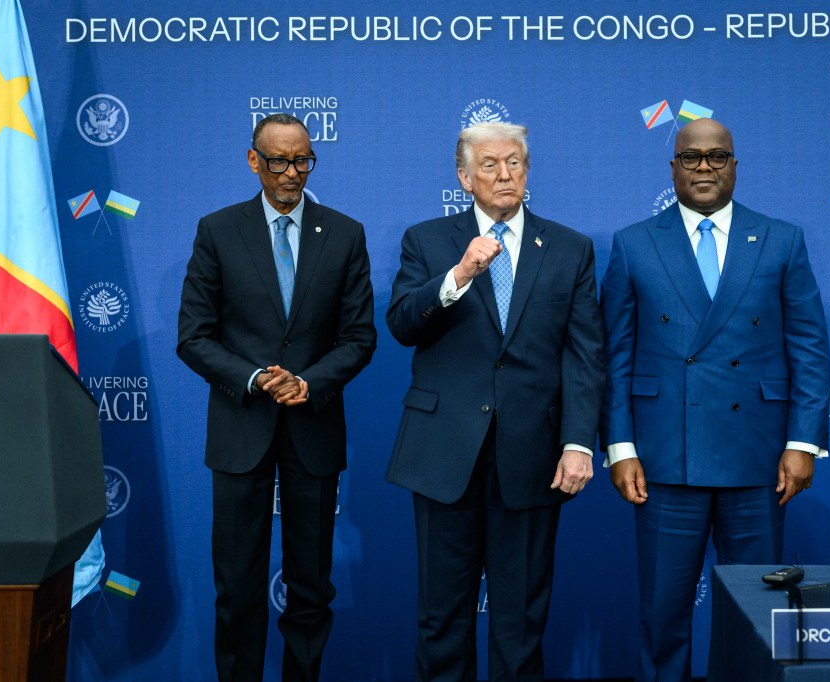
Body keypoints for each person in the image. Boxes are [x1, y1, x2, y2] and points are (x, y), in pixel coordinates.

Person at [600, 118, 830, 682]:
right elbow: (615, 358)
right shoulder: (633, 244)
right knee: (662, 614)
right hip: (662, 459)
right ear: (673, 167)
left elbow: (809, 348)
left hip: (757, 457)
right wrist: (620, 446)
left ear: (734, 165)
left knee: (756, 614)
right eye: (692, 157)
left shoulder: (781, 239)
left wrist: (803, 442)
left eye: (717, 157)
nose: (705, 168)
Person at [385, 121, 605, 681]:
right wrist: (458, 275)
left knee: (521, 622)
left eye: (515, 163)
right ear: (464, 177)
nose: (505, 174)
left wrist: (579, 442)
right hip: (443, 454)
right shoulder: (427, 240)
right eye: (489, 165)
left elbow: (584, 356)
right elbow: (403, 325)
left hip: (532, 456)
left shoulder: (570, 248)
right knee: (441, 619)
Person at [177, 113, 376, 681]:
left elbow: (360, 337)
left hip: (313, 429)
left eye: (303, 161)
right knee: (238, 587)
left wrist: (308, 381)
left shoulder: (344, 232)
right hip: (242, 428)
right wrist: (256, 377)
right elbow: (193, 336)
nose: (293, 173)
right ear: (253, 161)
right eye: (280, 161)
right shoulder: (217, 230)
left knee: (311, 588)